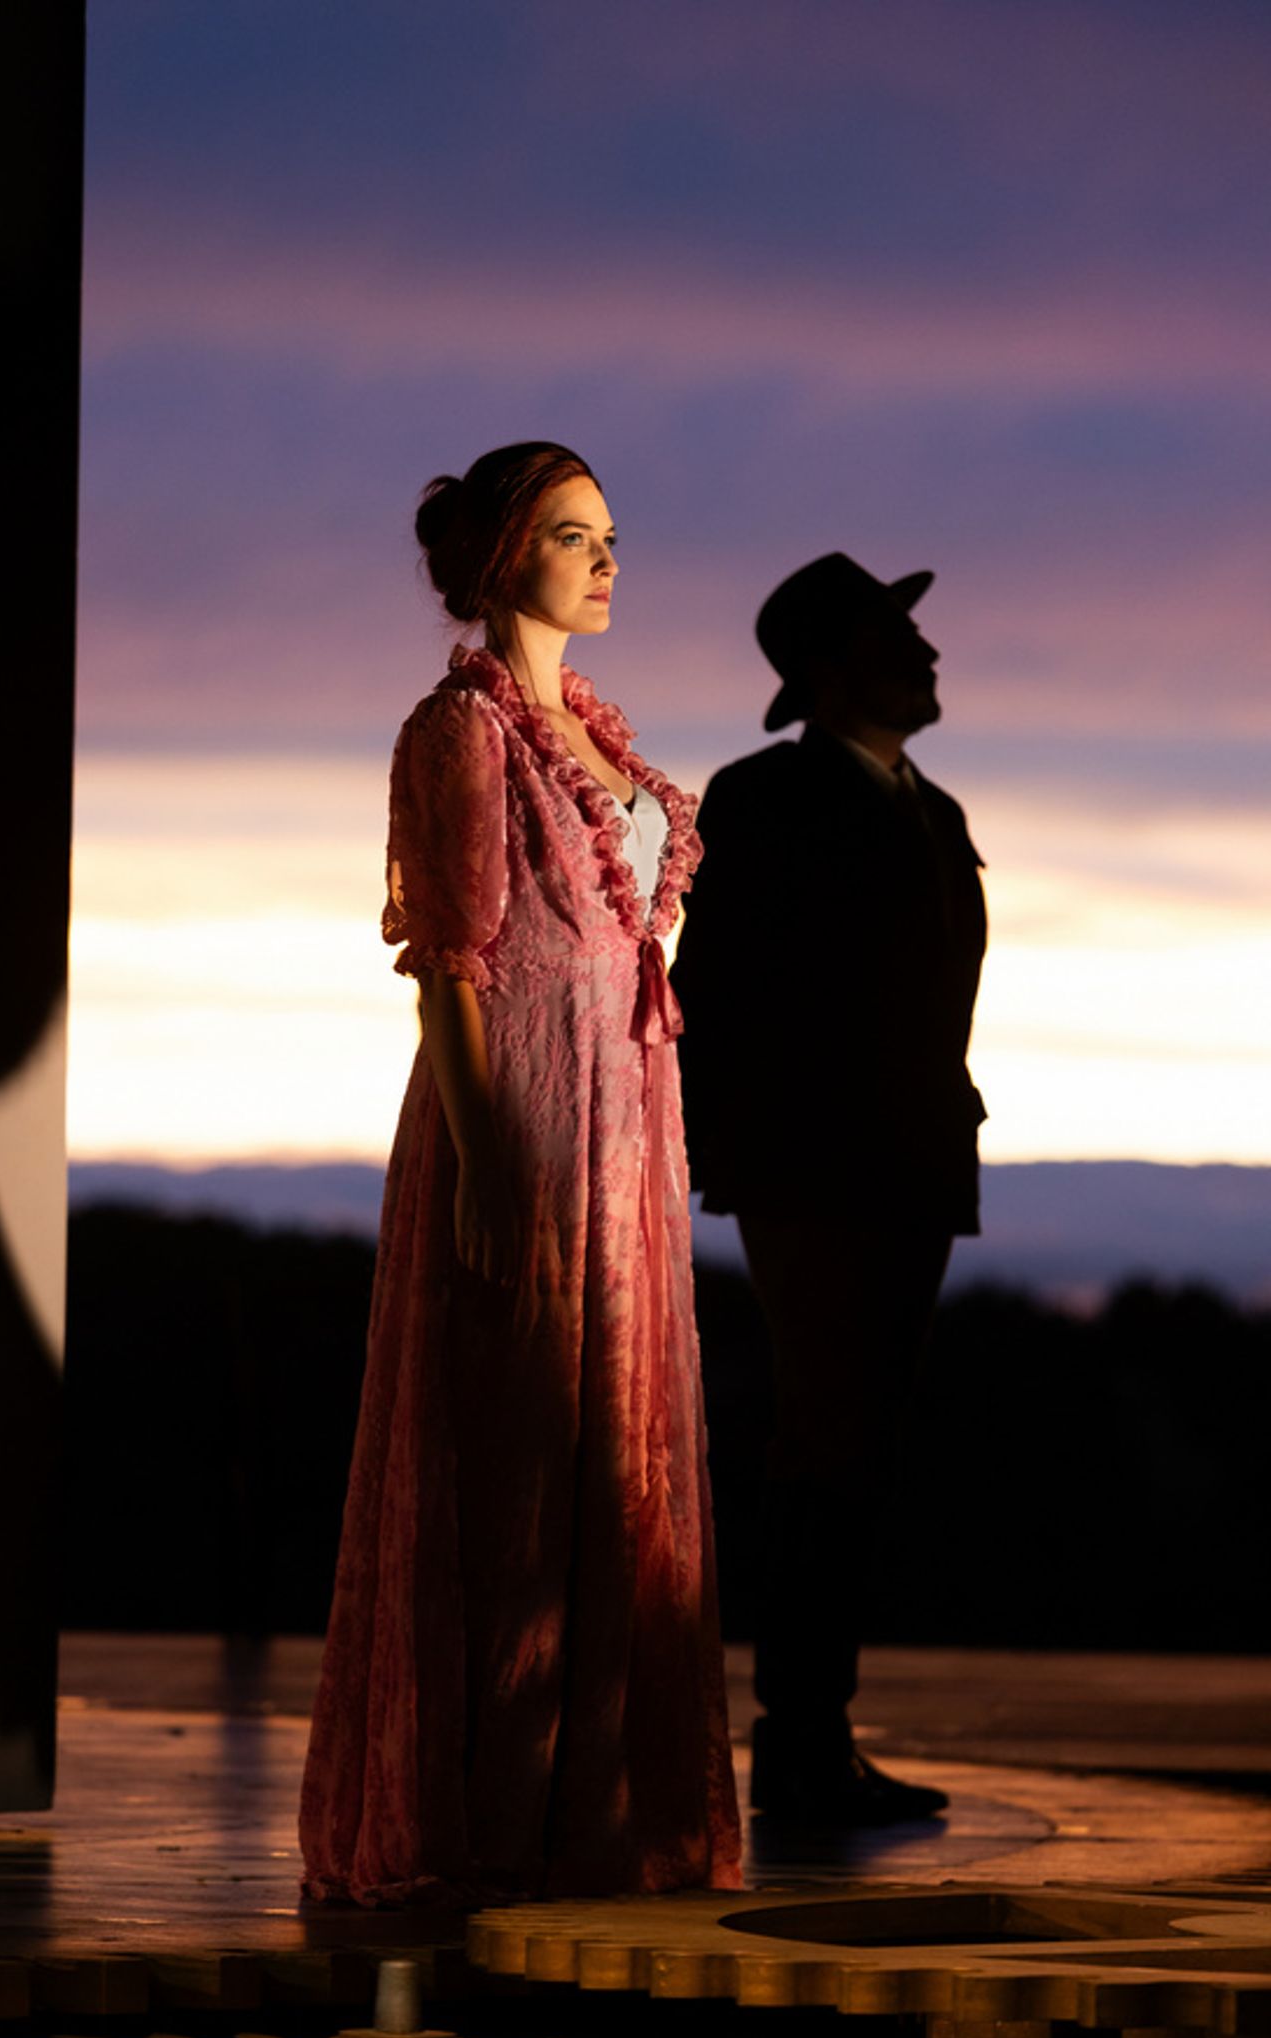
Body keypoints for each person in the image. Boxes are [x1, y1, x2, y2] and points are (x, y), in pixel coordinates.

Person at [300, 442, 742, 1905]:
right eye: (573, 536)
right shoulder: (463, 733)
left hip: (627, 1124)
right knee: (513, 1453)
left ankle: (601, 1812)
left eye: (610, 535)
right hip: (529, 1121)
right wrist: (489, 1165)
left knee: (615, 1451)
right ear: (504, 561)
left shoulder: (594, 735)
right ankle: (490, 1817)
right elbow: (452, 970)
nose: (607, 561)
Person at [670, 552, 987, 1826]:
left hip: (908, 1165)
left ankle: (814, 1738)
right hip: (812, 1174)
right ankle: (794, 1746)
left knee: (859, 1452)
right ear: (828, 671)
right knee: (824, 1445)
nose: (925, 656)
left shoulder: (934, 809)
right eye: (895, 639)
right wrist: (731, 1154)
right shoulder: (763, 800)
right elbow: (714, 997)